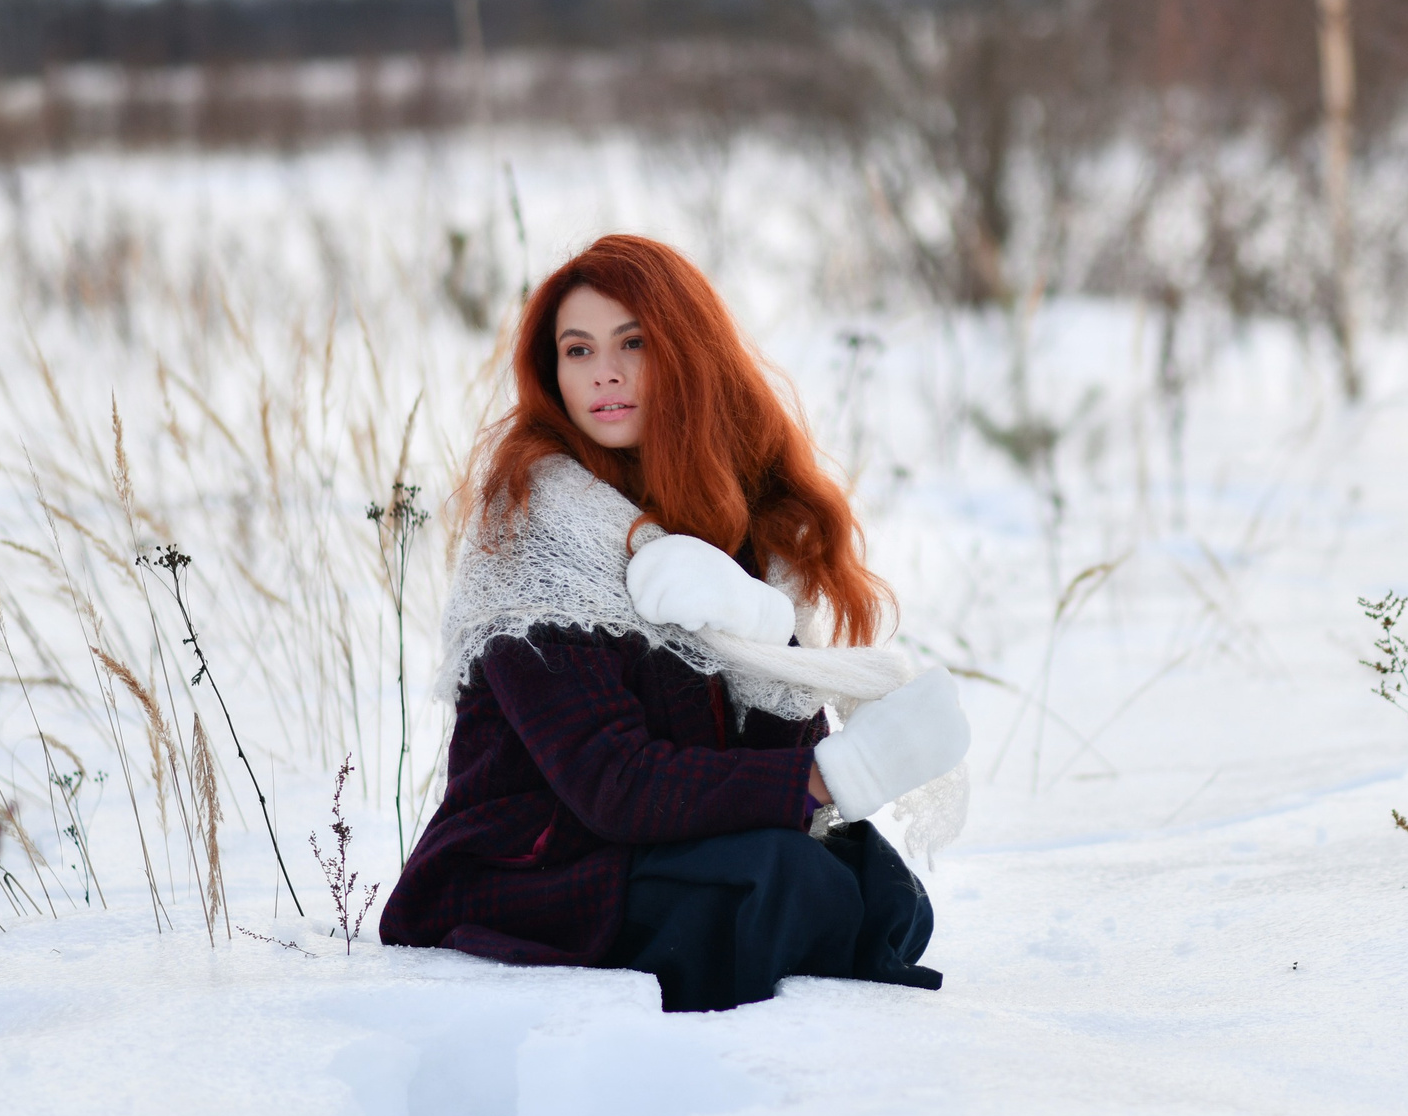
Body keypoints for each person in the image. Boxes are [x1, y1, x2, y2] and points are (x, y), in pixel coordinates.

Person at [379, 234, 970, 1010]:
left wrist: (757, 619)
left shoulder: (729, 516)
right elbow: (611, 780)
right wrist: (827, 775)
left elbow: (769, 745)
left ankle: (824, 1008)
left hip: (653, 844)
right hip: (534, 866)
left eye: (634, 343)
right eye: (578, 350)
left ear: (688, 355)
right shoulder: (536, 530)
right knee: (785, 881)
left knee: (885, 890)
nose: (606, 374)